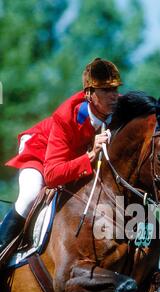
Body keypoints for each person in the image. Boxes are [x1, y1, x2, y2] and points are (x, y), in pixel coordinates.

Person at [0, 58, 122, 255]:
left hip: (69, 159)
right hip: (39, 152)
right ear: (89, 94)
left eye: (115, 89)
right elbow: (52, 175)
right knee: (29, 195)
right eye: (106, 91)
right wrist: (91, 154)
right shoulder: (65, 118)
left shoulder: (117, 107)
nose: (114, 96)